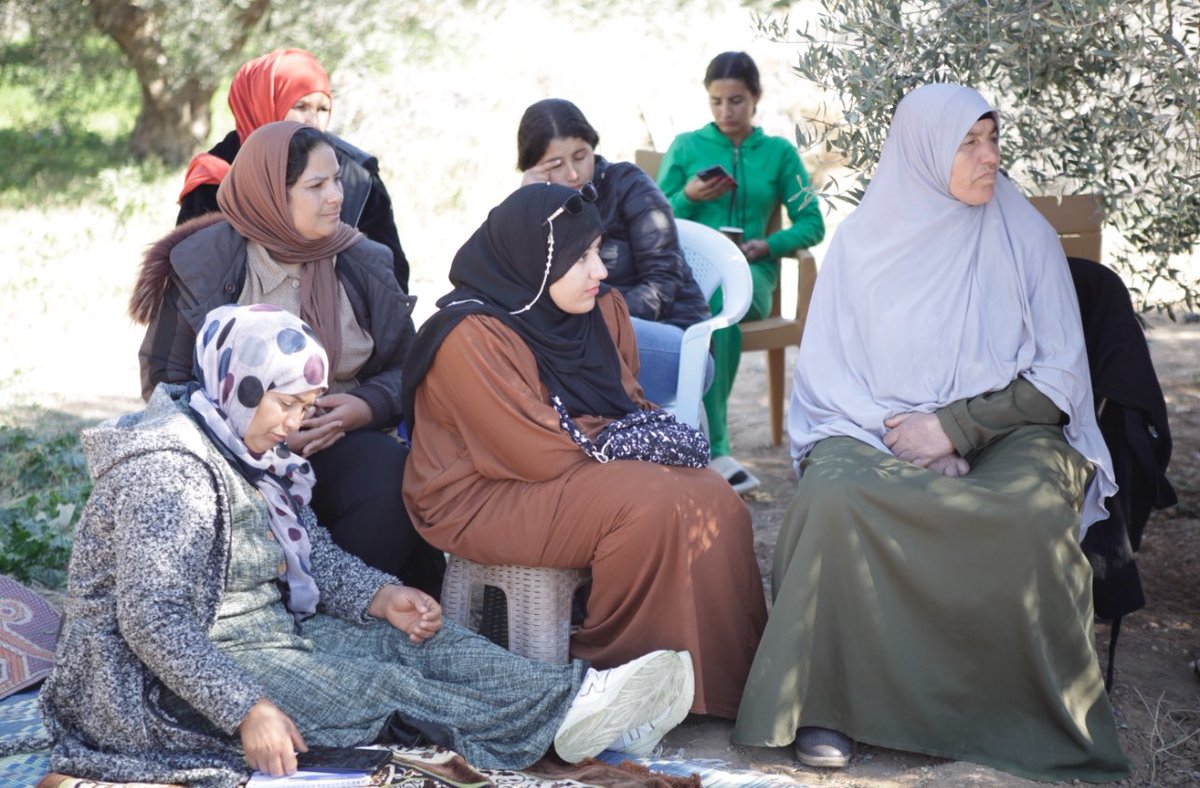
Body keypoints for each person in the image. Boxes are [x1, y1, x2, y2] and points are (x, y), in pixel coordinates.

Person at [40, 303, 693, 786]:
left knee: (411, 642)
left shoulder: (250, 449)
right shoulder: (167, 472)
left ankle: (577, 700)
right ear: (239, 387)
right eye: (288, 405)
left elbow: (312, 552)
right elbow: (153, 623)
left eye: (307, 406)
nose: (298, 424)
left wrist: (382, 598)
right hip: (157, 685)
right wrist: (247, 710)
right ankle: (555, 723)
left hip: (266, 634)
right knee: (375, 688)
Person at [732, 83, 1131, 782]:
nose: (988, 157)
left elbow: (1059, 379)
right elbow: (829, 380)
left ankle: (1010, 713)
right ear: (921, 151)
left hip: (1009, 430)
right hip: (873, 428)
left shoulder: (1024, 235)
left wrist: (954, 428)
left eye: (993, 139)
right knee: (832, 501)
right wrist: (907, 440)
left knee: (1032, 513)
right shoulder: (861, 245)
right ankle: (829, 702)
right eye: (967, 143)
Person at [401, 183, 767, 726]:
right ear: (533, 260)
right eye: (581, 258)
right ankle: (616, 673)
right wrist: (628, 447)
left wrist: (633, 443)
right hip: (482, 494)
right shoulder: (471, 335)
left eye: (598, 250)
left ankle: (715, 682)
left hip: (573, 465)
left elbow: (627, 404)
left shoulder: (599, 309)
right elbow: (529, 448)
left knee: (714, 493)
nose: (600, 270)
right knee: (648, 500)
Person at [131, 120, 445, 598]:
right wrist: (257, 428)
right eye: (315, 186)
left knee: (390, 480)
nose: (335, 197)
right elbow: (165, 383)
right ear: (271, 195)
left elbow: (410, 368)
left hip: (335, 438)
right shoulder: (204, 264)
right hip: (230, 452)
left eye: (336, 180)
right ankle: (263, 609)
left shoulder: (363, 260)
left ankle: (347, 608)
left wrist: (366, 406)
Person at [657, 51, 825, 494]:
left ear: (756, 98)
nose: (725, 112)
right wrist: (688, 196)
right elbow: (650, 216)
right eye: (716, 101)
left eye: (736, 101)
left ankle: (714, 446)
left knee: (718, 302)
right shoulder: (687, 147)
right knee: (707, 301)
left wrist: (766, 245)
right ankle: (705, 445)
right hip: (686, 274)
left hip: (752, 276)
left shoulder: (778, 153)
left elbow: (813, 222)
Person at [517, 98, 711, 405]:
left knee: (552, 351)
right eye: (555, 165)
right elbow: (520, 288)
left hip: (668, 337)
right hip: (582, 339)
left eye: (581, 156)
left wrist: (596, 321)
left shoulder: (628, 185)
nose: (573, 174)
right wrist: (527, 205)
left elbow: (663, 282)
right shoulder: (543, 204)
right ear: (534, 169)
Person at [176, 48, 410, 292]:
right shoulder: (216, 175)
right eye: (301, 106)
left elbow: (392, 278)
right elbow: (188, 275)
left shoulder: (356, 175)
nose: (313, 121)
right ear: (263, 103)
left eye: (323, 109)